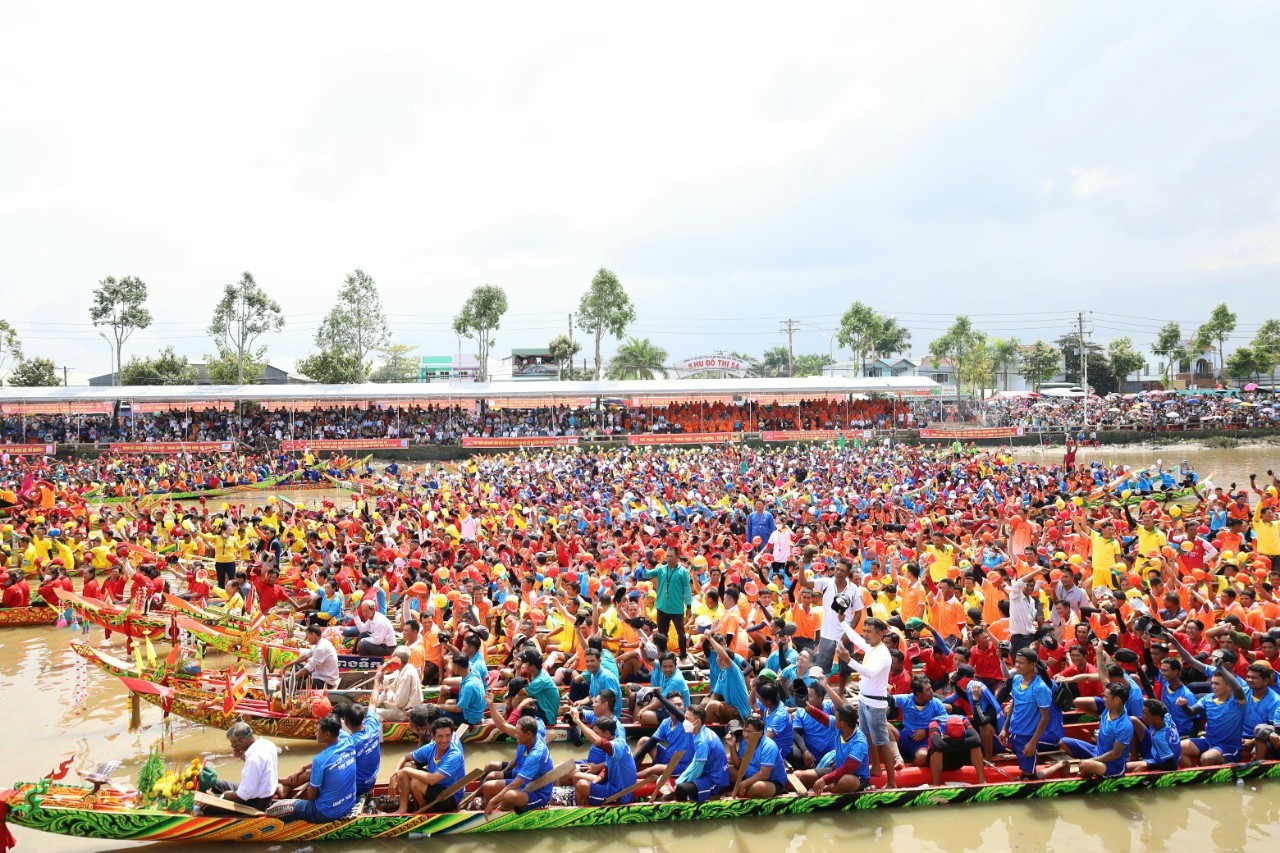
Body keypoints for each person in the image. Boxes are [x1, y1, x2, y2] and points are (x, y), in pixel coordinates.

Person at [267, 714, 357, 822]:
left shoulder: (319, 761)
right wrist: (303, 767)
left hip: (325, 812)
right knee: (315, 773)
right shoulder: (349, 740)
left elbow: (311, 796)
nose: (315, 733)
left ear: (327, 734)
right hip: (349, 802)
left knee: (278, 808)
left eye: (318, 730)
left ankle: (268, 813)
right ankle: (284, 786)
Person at [839, 617, 895, 787]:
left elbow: (870, 673)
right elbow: (855, 638)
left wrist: (849, 660)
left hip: (876, 704)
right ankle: (876, 767)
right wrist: (842, 622)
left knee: (882, 742)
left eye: (869, 632)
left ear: (880, 633)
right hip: (864, 700)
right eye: (865, 631)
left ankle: (892, 783)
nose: (865, 635)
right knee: (866, 737)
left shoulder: (883, 653)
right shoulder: (871, 646)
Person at [998, 648, 1064, 780]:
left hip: (1029, 737)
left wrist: (1033, 742)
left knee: (1029, 777)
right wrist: (1005, 728)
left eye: (1021, 663)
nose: (1017, 665)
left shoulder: (1040, 688)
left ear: (1032, 665)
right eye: (1016, 662)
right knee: (1024, 772)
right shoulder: (1016, 679)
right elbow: (1014, 705)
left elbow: (1045, 717)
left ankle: (1062, 765)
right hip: (1015, 733)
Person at [1051, 681, 1134, 779]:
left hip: (1112, 766)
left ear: (1117, 700)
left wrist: (1092, 760)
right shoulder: (1109, 708)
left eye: (1106, 697)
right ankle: (1090, 768)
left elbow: (1114, 755)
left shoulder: (1124, 726)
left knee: (1084, 765)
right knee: (1062, 741)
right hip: (1097, 751)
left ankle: (1084, 776)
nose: (1103, 699)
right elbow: (1104, 677)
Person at [480, 716, 555, 815]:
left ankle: (502, 810)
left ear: (528, 734)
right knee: (487, 787)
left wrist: (492, 801)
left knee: (510, 795)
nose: (515, 735)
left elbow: (514, 785)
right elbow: (538, 721)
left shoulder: (535, 756)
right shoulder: (535, 734)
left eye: (518, 733)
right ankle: (496, 808)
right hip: (527, 783)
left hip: (539, 792)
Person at [391, 716, 467, 812]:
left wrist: (405, 771)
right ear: (433, 737)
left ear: (452, 735)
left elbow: (432, 779)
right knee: (408, 766)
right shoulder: (431, 747)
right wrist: (393, 775)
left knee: (415, 781)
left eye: (448, 735)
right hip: (436, 787)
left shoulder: (454, 755)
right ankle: (404, 809)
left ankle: (425, 809)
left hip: (450, 795)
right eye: (440, 736)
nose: (444, 740)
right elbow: (405, 757)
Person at [794, 701, 868, 794]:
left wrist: (824, 780)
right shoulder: (840, 726)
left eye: (836, 717)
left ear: (842, 723)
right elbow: (823, 718)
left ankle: (825, 788)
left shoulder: (859, 742)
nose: (834, 718)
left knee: (846, 781)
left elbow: (848, 768)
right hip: (837, 768)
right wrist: (810, 709)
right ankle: (822, 789)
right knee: (805, 776)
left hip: (856, 777)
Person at [204, 722, 279, 813]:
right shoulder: (267, 744)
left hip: (256, 802)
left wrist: (219, 797)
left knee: (206, 807)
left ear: (242, 741)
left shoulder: (253, 759)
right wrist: (243, 756)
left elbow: (244, 794)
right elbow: (258, 770)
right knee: (215, 784)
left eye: (234, 745)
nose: (234, 748)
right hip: (258, 791)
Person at [569, 710, 638, 805]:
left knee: (581, 784)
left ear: (607, 734)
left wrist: (578, 721)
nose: (595, 735)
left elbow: (597, 741)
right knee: (577, 776)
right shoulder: (616, 742)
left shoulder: (615, 746)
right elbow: (607, 767)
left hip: (619, 794)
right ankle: (580, 806)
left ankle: (585, 810)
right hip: (611, 783)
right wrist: (597, 781)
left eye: (597, 733)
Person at [669, 703, 730, 802]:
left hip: (716, 780)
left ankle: (683, 806)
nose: (684, 722)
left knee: (682, 788)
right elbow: (695, 762)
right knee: (679, 782)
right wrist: (680, 779)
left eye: (688, 719)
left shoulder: (702, 742)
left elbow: (697, 771)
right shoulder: (699, 732)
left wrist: (681, 784)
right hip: (709, 772)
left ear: (697, 722)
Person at [642, 549, 693, 661]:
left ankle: (683, 655)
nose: (668, 559)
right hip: (662, 607)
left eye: (671, 556)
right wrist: (642, 567)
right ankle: (663, 654)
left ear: (677, 557)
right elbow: (647, 574)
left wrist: (689, 606)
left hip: (677, 608)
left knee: (681, 633)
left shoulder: (683, 572)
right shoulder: (661, 569)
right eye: (667, 556)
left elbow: (687, 589)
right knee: (662, 634)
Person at [726, 715, 788, 798]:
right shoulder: (745, 742)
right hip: (751, 776)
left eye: (749, 731)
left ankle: (740, 791)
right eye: (744, 730)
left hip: (771, 781)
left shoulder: (768, 746)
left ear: (760, 733)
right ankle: (741, 789)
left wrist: (743, 784)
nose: (745, 734)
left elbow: (764, 775)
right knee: (728, 770)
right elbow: (739, 765)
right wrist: (732, 745)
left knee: (757, 788)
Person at [375, 647, 421, 723]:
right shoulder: (406, 668)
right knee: (380, 704)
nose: (390, 661)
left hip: (407, 713)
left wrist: (388, 692)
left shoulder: (406, 675)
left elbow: (400, 701)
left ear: (397, 660)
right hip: (402, 707)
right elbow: (390, 684)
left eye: (392, 659)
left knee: (374, 712)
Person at [441, 652, 487, 726]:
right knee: (446, 703)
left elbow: (458, 709)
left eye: (453, 666)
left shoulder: (468, 686)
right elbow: (461, 656)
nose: (452, 668)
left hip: (470, 718)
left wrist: (439, 706)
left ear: (456, 666)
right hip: (473, 709)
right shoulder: (473, 669)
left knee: (439, 713)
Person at [291, 624, 339, 689]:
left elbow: (307, 669)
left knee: (291, 684)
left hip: (324, 682)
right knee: (296, 668)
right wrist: (287, 666)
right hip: (318, 675)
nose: (307, 640)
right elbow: (305, 656)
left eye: (307, 637)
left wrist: (289, 679)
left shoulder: (321, 648)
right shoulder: (320, 643)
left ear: (313, 635)